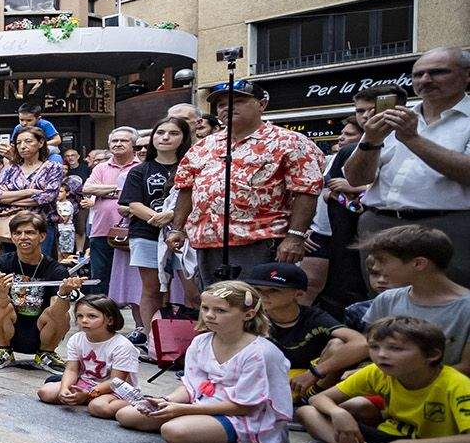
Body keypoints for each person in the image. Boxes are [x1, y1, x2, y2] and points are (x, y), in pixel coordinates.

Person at [167, 80, 323, 288]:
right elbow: (186, 188)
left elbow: (306, 190)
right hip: (207, 242)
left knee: (254, 301)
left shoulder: (290, 141)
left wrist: (295, 236)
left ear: (262, 104)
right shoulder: (204, 145)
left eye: (238, 101)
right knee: (214, 300)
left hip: (259, 241)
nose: (227, 108)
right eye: (221, 104)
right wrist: (177, 228)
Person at [115, 281, 293, 443]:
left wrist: (182, 410)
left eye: (220, 310)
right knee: (127, 415)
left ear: (248, 314)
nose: (209, 315)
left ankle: (232, 440)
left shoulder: (259, 352)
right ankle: (202, 431)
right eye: (205, 308)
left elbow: (245, 406)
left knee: (173, 431)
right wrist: (167, 401)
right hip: (201, 404)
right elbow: (191, 385)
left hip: (244, 417)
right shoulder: (201, 341)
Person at [299, 316, 470, 443]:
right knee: (307, 412)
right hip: (386, 440)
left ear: (432, 355)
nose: (381, 354)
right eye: (374, 347)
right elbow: (318, 398)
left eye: (395, 348)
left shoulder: (456, 384)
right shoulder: (377, 371)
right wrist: (337, 413)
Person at [345, 47, 470, 286]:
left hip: (445, 227)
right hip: (379, 225)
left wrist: (413, 139)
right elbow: (356, 179)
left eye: (438, 72)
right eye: (418, 74)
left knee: (447, 300)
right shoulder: (393, 116)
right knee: (383, 301)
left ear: (467, 75)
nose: (425, 80)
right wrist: (371, 141)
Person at [241, 262, 364, 402]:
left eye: (274, 290)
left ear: (298, 293)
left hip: (309, 381)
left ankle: (312, 398)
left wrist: (314, 373)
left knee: (338, 344)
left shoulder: (314, 317)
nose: (262, 295)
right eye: (257, 289)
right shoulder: (248, 316)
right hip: (267, 381)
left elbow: (362, 344)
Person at [356, 225, 470, 374]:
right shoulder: (387, 299)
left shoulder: (465, 307)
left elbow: (466, 367)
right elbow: (370, 345)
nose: (376, 267)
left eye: (382, 261)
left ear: (418, 264)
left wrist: (407, 379)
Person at [0, 211, 82, 373]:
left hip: (42, 329)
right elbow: (0, 302)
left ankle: (46, 353)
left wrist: (64, 293)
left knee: (62, 314)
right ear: (12, 237)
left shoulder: (56, 269)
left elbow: (59, 311)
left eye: (30, 232)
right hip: (11, 328)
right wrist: (2, 293)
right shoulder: (1, 264)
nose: (23, 237)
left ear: (42, 236)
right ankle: (4, 350)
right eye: (17, 233)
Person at [121, 116, 193, 339]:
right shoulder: (139, 170)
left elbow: (197, 199)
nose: (165, 137)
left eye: (173, 133)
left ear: (184, 138)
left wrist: (173, 216)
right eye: (160, 133)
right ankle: (154, 340)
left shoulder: (192, 167)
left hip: (185, 235)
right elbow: (133, 204)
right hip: (146, 234)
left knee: (192, 290)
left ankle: (191, 341)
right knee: (152, 289)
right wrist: (158, 217)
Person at [306, 116, 372, 309]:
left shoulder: (375, 156)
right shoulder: (332, 158)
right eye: (342, 133)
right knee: (310, 286)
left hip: (354, 235)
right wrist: (304, 228)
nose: (341, 137)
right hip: (321, 231)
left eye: (349, 134)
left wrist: (358, 188)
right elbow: (319, 193)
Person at [43, 296, 139, 414]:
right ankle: (83, 398)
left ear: (110, 320)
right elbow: (71, 370)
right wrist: (64, 388)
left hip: (116, 390)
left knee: (98, 407)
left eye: (92, 316)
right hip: (86, 384)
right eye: (80, 316)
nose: (84, 320)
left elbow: (116, 381)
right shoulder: (76, 339)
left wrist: (89, 394)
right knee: (46, 392)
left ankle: (134, 403)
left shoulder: (122, 345)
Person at [81, 127, 139, 301]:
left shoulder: (141, 167)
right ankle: (100, 309)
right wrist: (120, 189)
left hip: (133, 231)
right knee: (100, 275)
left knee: (131, 275)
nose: (118, 144)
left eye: (123, 140)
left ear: (133, 145)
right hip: (101, 230)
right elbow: (87, 188)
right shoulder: (101, 167)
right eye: (114, 141)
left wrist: (104, 191)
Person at [0, 126, 64, 254]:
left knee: (40, 263)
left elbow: (48, 197)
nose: (22, 146)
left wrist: (9, 199)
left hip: (41, 226)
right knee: (12, 264)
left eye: (28, 141)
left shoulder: (52, 167)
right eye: (18, 143)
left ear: (40, 143)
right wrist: (29, 192)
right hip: (13, 226)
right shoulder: (11, 169)